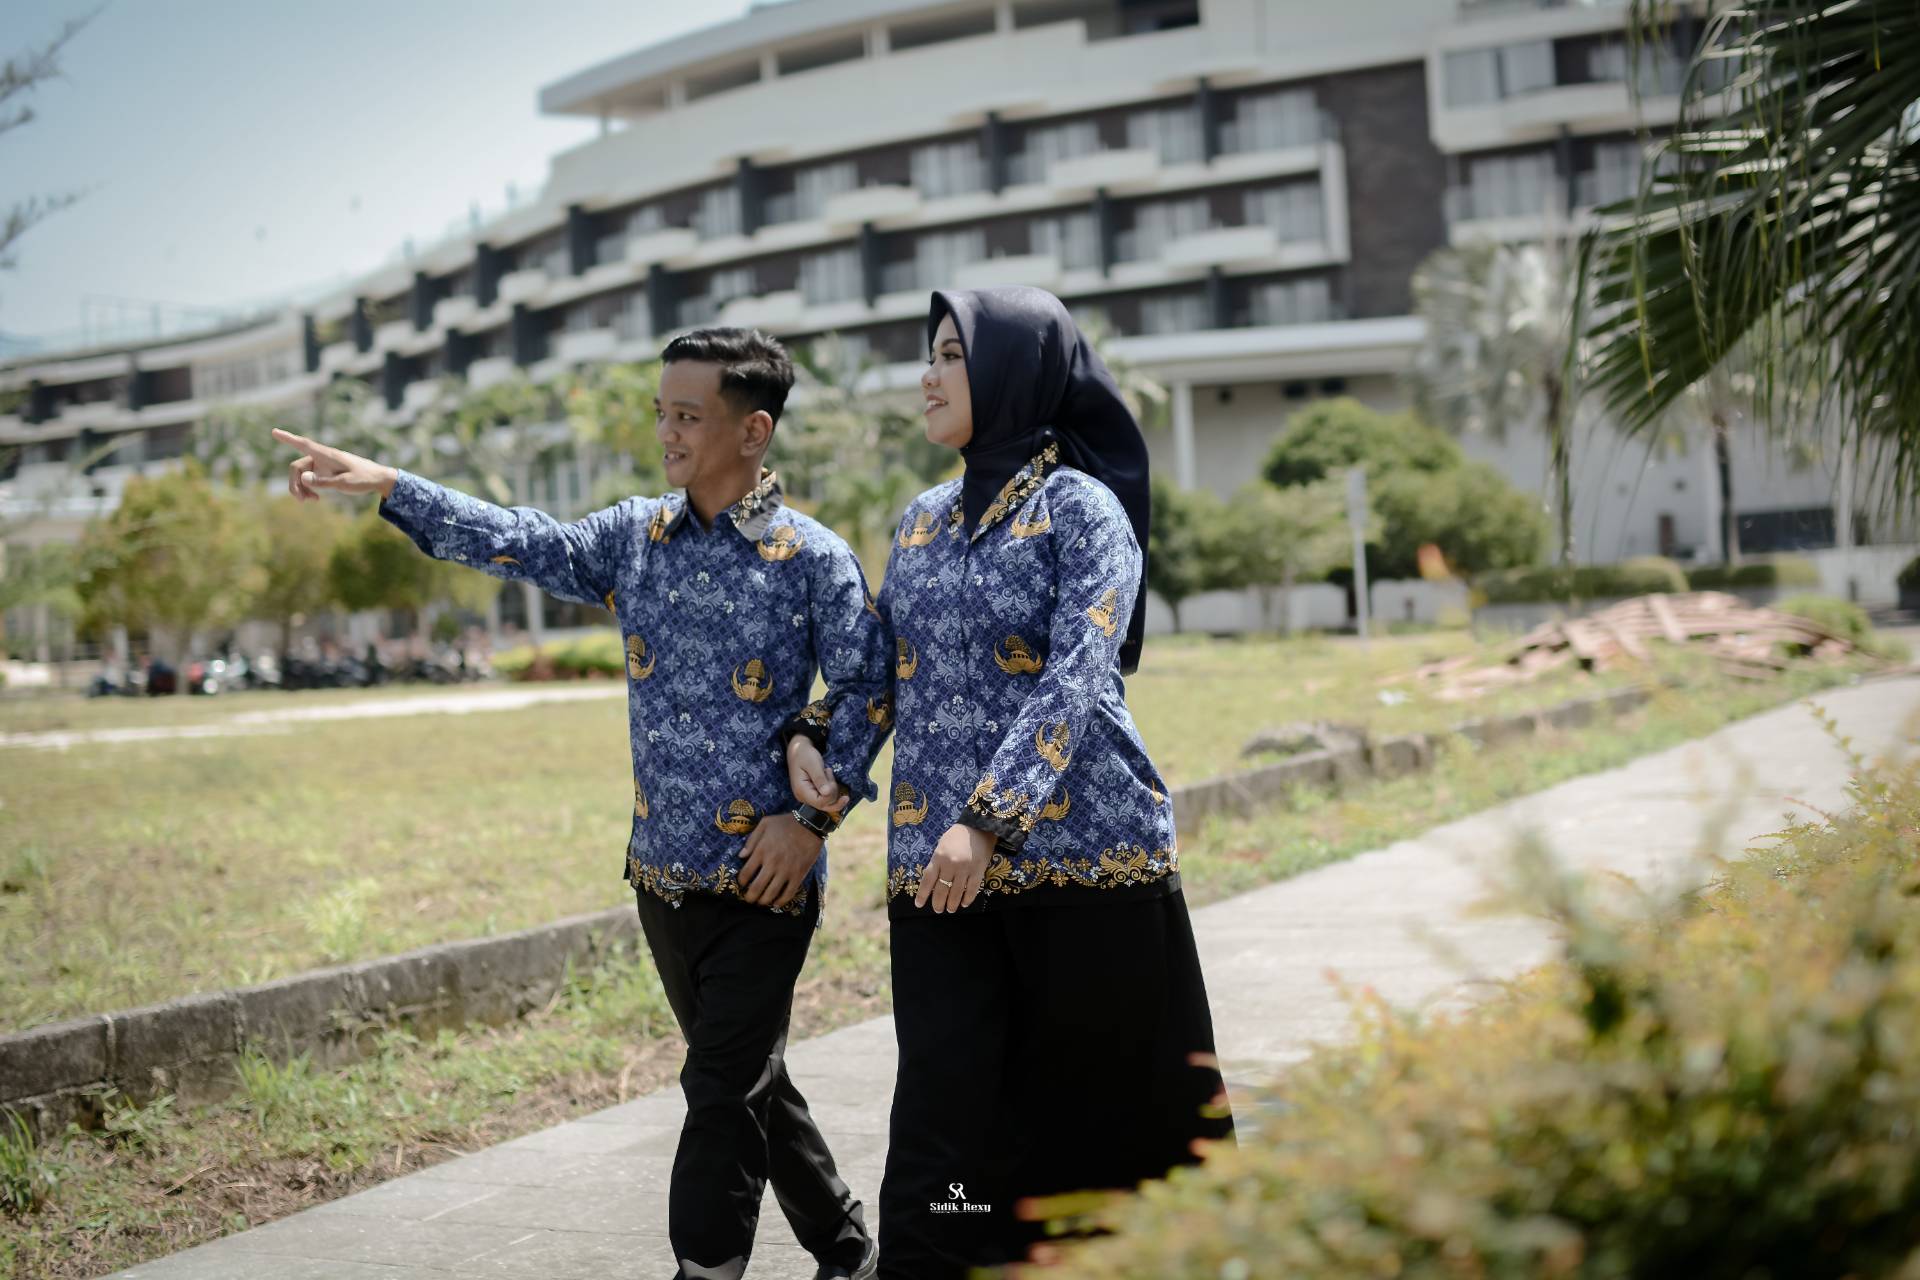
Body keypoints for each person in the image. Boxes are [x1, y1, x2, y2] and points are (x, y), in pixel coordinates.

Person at [273, 328, 883, 1280]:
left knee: (719, 1088)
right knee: (745, 1080)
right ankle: (848, 1249)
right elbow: (523, 539)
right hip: (662, 879)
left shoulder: (812, 557)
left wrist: (811, 821)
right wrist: (393, 486)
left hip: (767, 881)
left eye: (688, 417)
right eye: (661, 413)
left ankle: (705, 1269)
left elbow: (868, 685)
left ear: (753, 431)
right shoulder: (635, 538)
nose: (667, 433)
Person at [783, 286, 1236, 1278]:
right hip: (939, 871)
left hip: (1086, 865)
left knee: (1100, 1119)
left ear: (1013, 371)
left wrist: (988, 819)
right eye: (929, 355)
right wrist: (820, 747)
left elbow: (1079, 673)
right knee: (946, 1121)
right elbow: (883, 672)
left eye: (951, 354)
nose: (928, 376)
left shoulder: (1084, 510)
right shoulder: (920, 522)